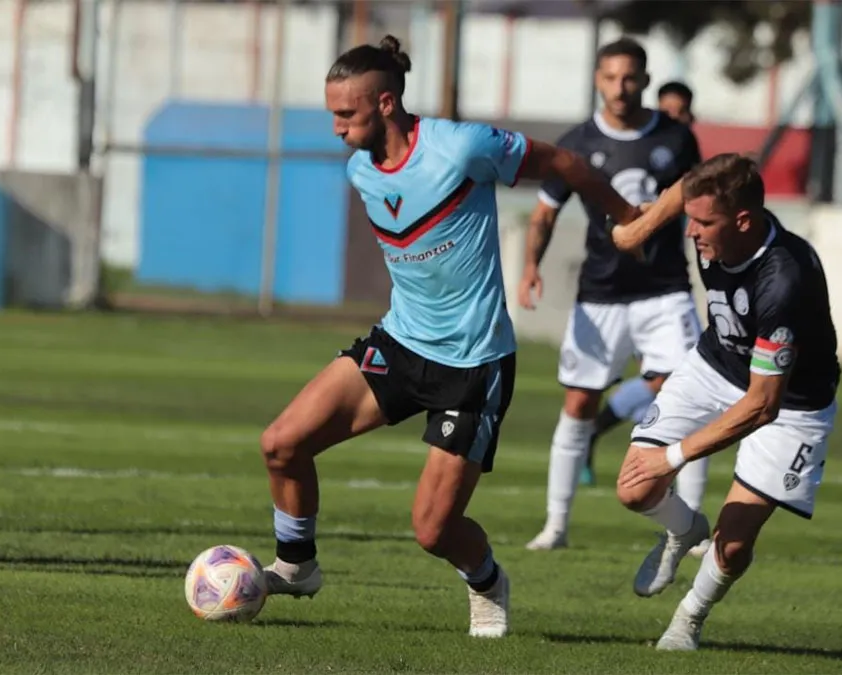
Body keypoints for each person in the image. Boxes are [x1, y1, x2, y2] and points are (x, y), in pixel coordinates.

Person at [257, 35, 642, 639]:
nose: (335, 129)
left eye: (345, 114)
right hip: (401, 343)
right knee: (281, 443)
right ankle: (297, 564)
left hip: (473, 363)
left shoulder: (462, 147)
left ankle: (487, 581)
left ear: (386, 104)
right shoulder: (361, 167)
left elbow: (564, 163)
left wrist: (627, 215)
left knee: (433, 530)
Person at [610, 153, 841, 650]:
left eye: (704, 222)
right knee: (633, 490)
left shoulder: (785, 280)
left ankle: (686, 622)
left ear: (743, 220)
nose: (691, 232)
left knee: (733, 545)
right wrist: (641, 228)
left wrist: (670, 459)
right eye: (690, 218)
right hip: (715, 366)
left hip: (792, 403)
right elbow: (686, 189)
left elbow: (763, 405)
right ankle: (682, 530)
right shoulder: (713, 215)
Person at [518, 37, 708, 554]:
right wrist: (531, 266)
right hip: (600, 294)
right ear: (597, 81)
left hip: (665, 291)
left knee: (687, 399)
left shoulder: (675, 137)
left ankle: (690, 529)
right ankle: (555, 526)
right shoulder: (576, 142)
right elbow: (545, 213)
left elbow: (699, 205)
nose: (620, 88)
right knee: (579, 403)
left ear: (644, 80)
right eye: (610, 78)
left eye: (630, 78)